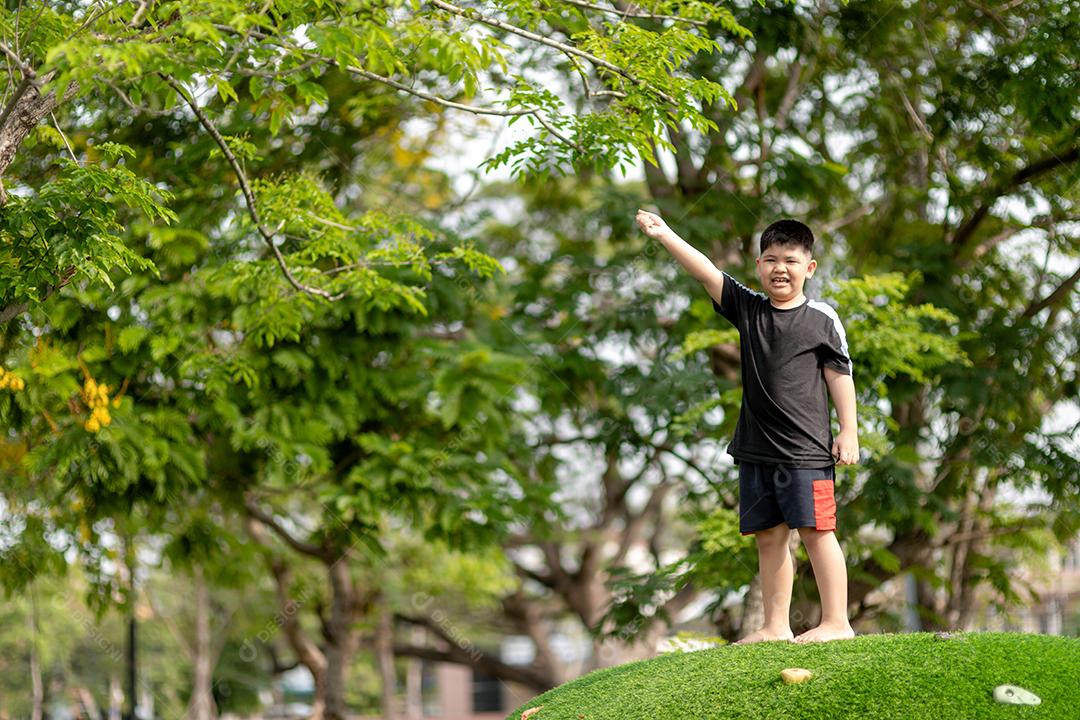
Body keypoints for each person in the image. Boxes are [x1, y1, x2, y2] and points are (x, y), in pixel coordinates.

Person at [635, 209, 858, 644]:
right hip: (756, 450)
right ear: (759, 266)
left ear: (809, 269)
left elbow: (840, 375)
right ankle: (775, 627)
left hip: (807, 452)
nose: (781, 269)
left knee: (818, 533)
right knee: (769, 539)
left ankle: (837, 623)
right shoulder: (749, 309)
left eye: (791, 261)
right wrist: (665, 235)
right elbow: (706, 270)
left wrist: (848, 431)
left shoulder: (822, 319)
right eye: (771, 259)